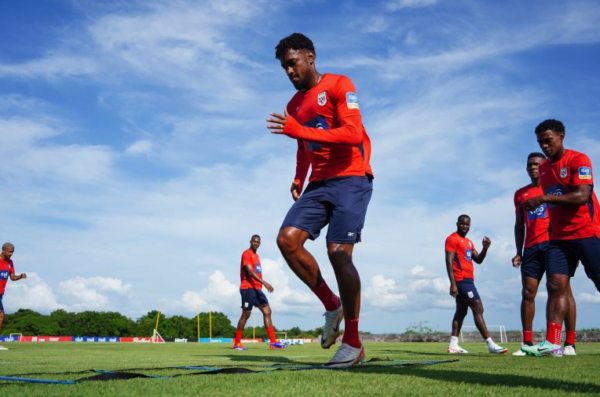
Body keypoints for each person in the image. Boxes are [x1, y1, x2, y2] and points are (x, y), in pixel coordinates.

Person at [266, 33, 373, 368]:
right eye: (284, 67)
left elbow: (352, 134)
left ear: (310, 56)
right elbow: (303, 147)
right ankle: (332, 305)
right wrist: (299, 177)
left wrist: (300, 131)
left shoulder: (340, 84)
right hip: (319, 183)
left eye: (292, 64)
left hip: (352, 176)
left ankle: (353, 343)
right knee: (287, 240)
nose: (289, 72)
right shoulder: (293, 105)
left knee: (338, 252)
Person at [521, 119, 600, 357]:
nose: (545, 146)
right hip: (558, 238)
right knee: (556, 286)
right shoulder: (544, 169)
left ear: (561, 136)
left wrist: (543, 199)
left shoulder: (579, 160)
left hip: (587, 233)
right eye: (540, 142)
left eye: (548, 140)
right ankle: (553, 342)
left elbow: (579, 196)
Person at [512, 152, 577, 356]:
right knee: (527, 293)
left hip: (555, 244)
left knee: (562, 291)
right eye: (530, 164)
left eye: (537, 164)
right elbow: (519, 224)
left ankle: (569, 343)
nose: (533, 167)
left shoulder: (555, 189)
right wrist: (518, 251)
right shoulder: (520, 194)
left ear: (545, 167)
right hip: (531, 248)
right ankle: (528, 342)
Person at [445, 215, 508, 354]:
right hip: (461, 279)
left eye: (467, 225)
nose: (465, 226)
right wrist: (453, 283)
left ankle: (453, 345)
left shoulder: (468, 242)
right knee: (477, 306)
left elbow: (478, 259)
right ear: (457, 224)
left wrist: (485, 248)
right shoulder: (452, 239)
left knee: (461, 312)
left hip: (468, 279)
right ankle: (491, 344)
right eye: (462, 224)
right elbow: (449, 261)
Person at [233, 235, 286, 350]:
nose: (255, 243)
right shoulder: (246, 253)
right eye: (254, 241)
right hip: (247, 288)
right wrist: (266, 283)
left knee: (267, 311)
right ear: (250, 242)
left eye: (258, 242)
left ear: (260, 244)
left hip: (257, 289)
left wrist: (261, 285)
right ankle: (237, 343)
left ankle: (273, 342)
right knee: (246, 314)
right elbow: (250, 272)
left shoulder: (256, 256)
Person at [0, 242, 27, 351]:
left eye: (13, 252)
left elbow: (12, 277)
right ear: (3, 250)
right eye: (10, 252)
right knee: (1, 314)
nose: (11, 254)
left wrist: (20, 276)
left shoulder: (10, 263)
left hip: (1, 292)